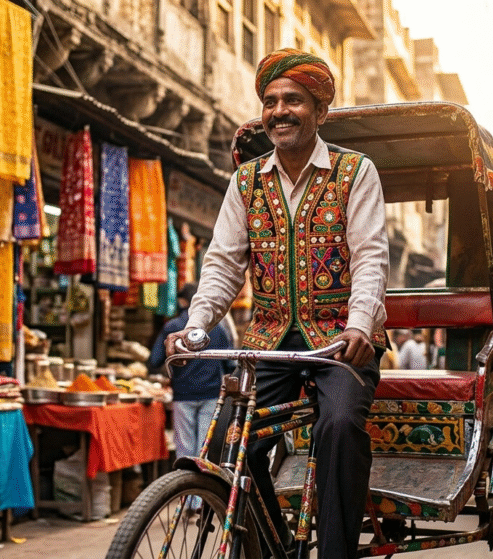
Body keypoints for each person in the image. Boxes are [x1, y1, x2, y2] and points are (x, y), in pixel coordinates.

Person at [164, 48, 388, 559]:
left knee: (338, 425)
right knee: (228, 438)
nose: (279, 110)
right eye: (270, 101)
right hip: (269, 341)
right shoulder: (246, 181)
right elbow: (223, 264)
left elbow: (371, 256)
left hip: (339, 343)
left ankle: (334, 551)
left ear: (321, 111)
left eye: (294, 100)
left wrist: (359, 326)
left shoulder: (356, 172)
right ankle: (272, 547)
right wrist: (197, 326)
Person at [146, 284, 234, 468]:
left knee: (184, 450)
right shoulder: (218, 329)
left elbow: (154, 361)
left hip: (183, 395)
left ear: (183, 301)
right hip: (211, 394)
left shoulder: (173, 327)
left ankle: (186, 494)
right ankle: (200, 495)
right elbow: (229, 364)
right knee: (203, 450)